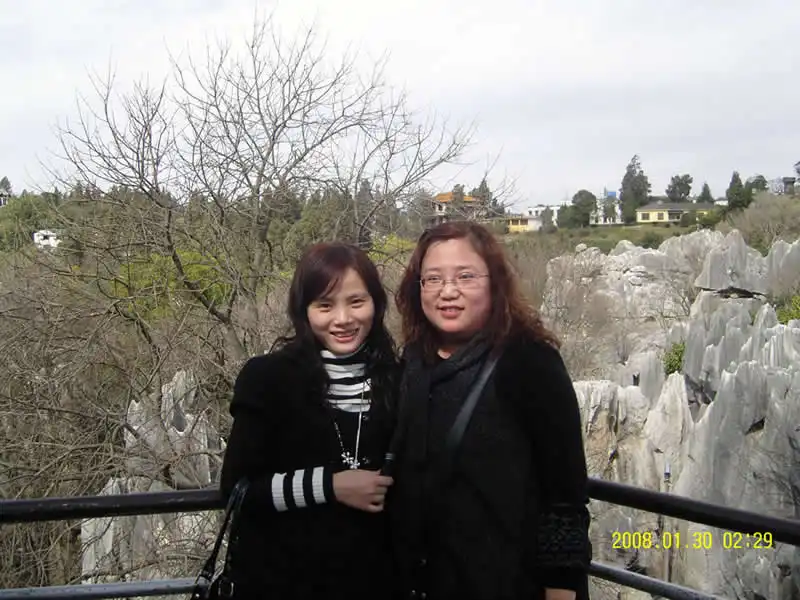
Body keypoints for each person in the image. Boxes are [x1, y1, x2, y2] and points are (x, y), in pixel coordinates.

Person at [389, 221, 592, 600]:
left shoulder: (529, 362)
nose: (448, 291)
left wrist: (562, 588)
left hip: (508, 582)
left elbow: (564, 496)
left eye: (465, 276)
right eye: (433, 279)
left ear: (494, 282)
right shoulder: (414, 362)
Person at [220, 241, 399, 600]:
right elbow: (237, 491)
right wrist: (331, 485)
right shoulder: (268, 379)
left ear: (376, 304)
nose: (343, 319)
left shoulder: (399, 381)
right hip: (280, 581)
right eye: (325, 305)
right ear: (304, 311)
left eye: (356, 302)